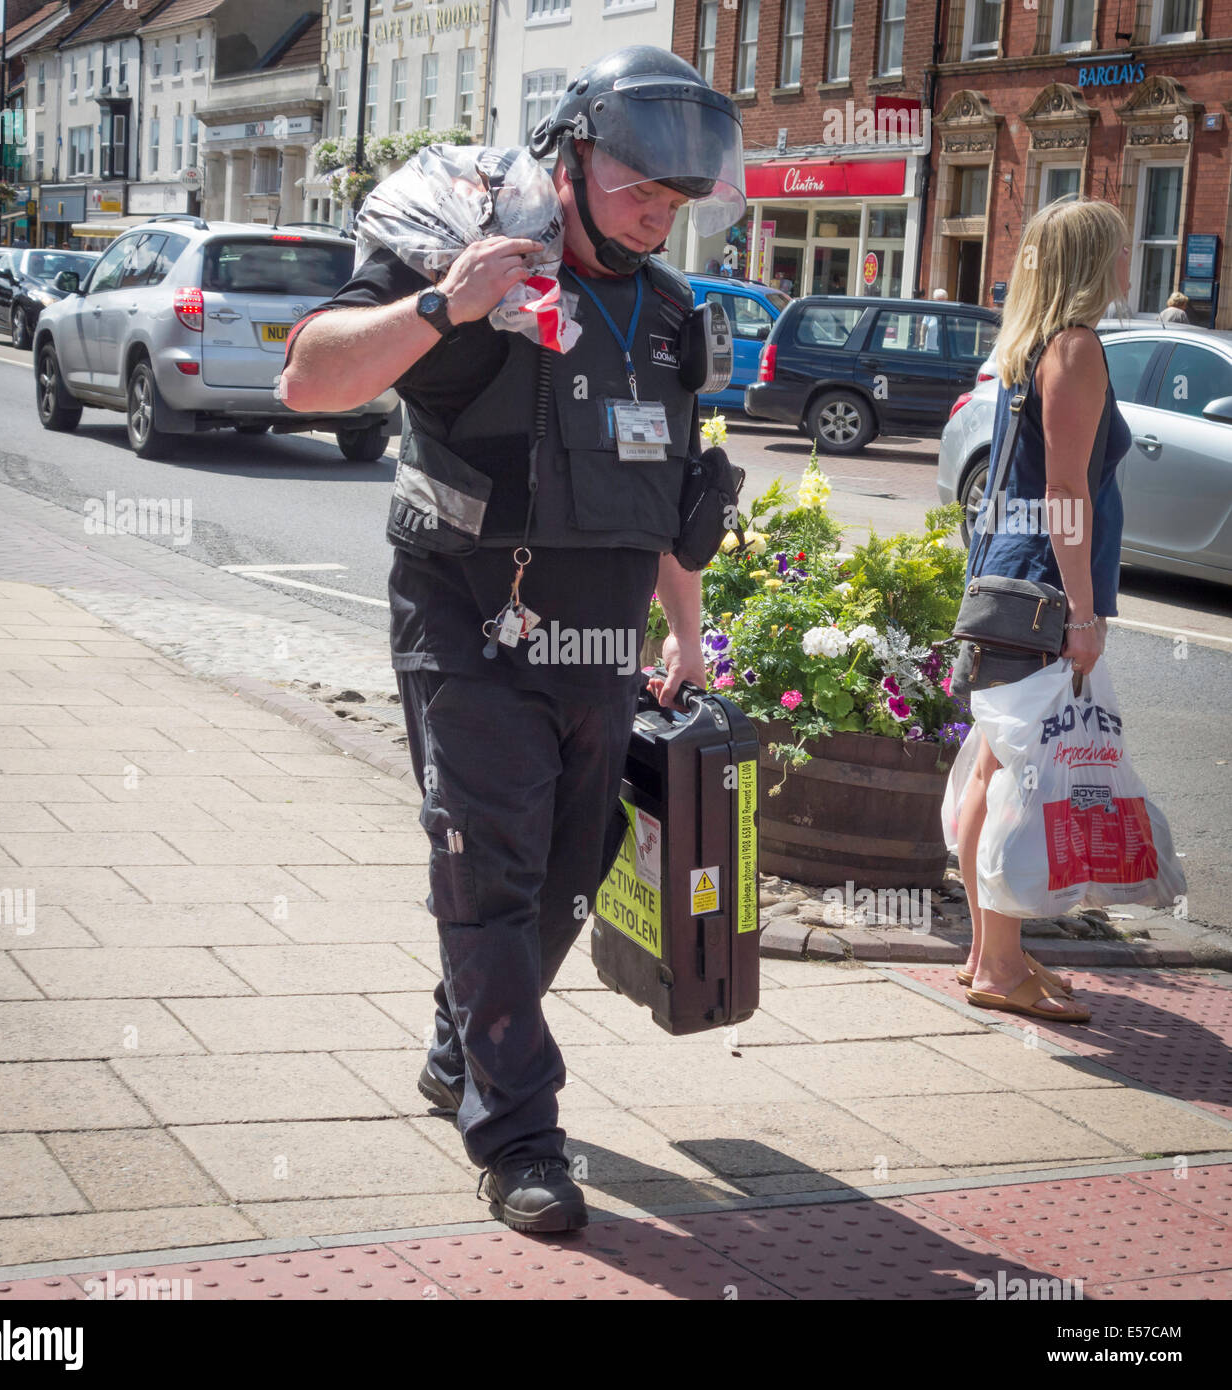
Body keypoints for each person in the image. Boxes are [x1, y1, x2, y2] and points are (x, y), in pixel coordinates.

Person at [279, 45, 745, 1234]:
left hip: (599, 639)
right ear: (572, 155)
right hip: (468, 622)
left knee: (565, 876)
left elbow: (676, 491)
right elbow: (308, 380)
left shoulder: (671, 312)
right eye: (638, 187)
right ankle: (522, 1139)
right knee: (486, 872)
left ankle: (457, 1042)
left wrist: (688, 636)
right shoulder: (467, 262)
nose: (656, 214)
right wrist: (447, 303)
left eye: (674, 199)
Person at [953, 198, 1133, 1026]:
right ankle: (997, 962)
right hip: (1046, 595)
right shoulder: (1075, 348)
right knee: (1018, 777)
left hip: (1007, 580)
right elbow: (1064, 493)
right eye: (1117, 252)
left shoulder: (1023, 348)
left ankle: (993, 951)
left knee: (994, 767)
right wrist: (1085, 614)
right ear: (1093, 263)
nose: (1127, 266)